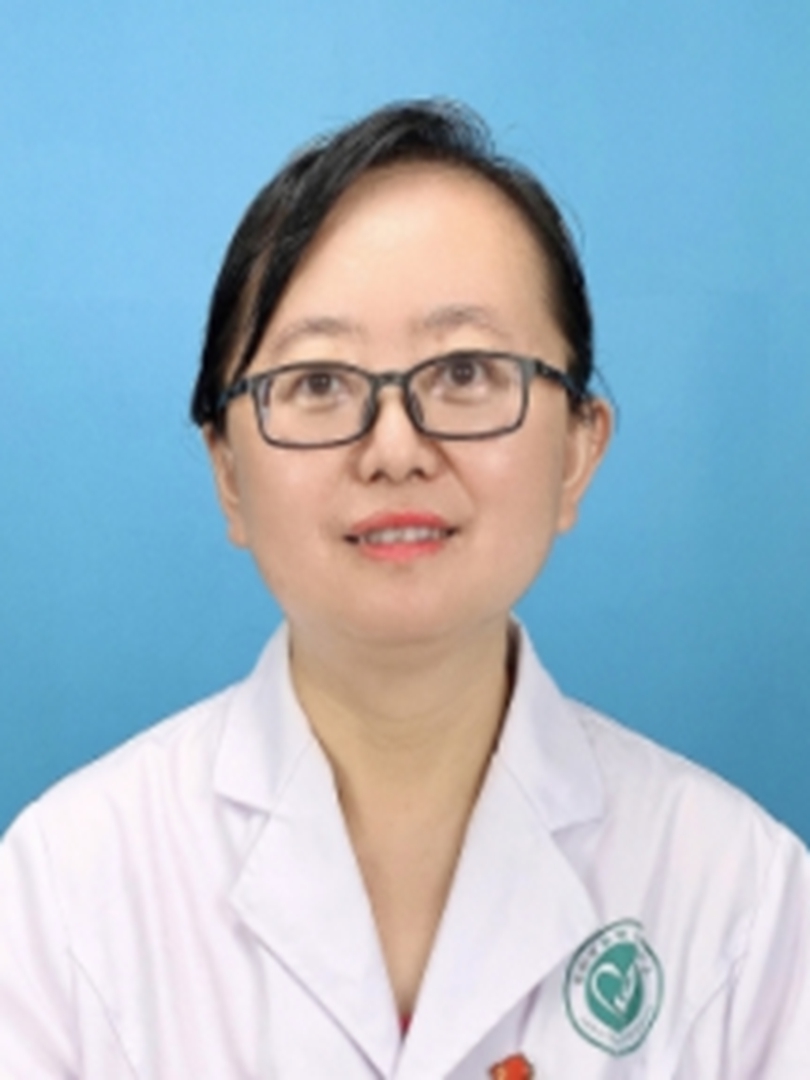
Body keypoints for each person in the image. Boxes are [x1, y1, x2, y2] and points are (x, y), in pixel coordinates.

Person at [1, 100, 808, 1079]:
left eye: (465, 371)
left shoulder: (745, 900)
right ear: (228, 474)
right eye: (318, 383)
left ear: (577, 451)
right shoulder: (61, 891)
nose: (394, 449)